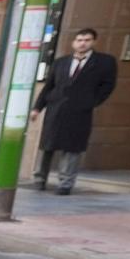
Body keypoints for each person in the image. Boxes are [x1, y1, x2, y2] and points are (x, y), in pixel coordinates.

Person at [31, 28, 117, 196]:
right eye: (79, 40)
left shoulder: (104, 62)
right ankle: (40, 179)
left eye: (87, 40)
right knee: (47, 145)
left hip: (80, 111)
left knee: (73, 147)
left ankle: (65, 183)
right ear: (73, 43)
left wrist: (91, 102)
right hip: (56, 108)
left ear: (93, 42)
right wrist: (37, 108)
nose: (82, 43)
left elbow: (108, 86)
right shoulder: (61, 62)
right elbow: (49, 87)